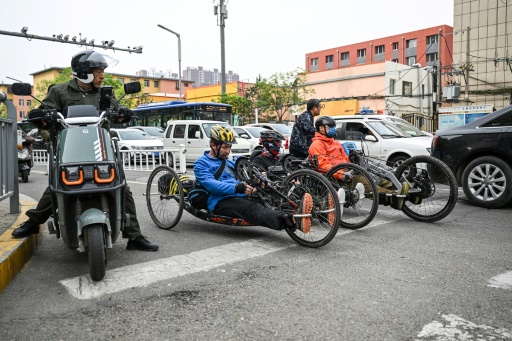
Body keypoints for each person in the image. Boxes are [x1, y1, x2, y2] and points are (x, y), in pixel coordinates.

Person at [11, 50, 158, 251]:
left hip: (100, 148)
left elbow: (116, 113)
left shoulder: (104, 94)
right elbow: (43, 116)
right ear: (84, 72)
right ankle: (34, 223)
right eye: (98, 71)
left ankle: (134, 236)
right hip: (70, 149)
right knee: (58, 185)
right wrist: (43, 122)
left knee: (121, 186)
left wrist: (123, 114)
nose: (102, 76)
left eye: (102, 71)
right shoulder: (60, 91)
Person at [194, 125, 314, 233]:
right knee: (253, 209)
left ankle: (305, 213)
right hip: (219, 200)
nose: (227, 151)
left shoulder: (229, 162)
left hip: (239, 194)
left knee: (268, 200)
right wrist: (236, 188)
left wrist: (252, 185)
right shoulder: (201, 164)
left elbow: (243, 176)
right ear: (213, 145)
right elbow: (211, 185)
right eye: (224, 147)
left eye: (229, 147)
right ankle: (290, 221)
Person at [308, 116, 411, 210]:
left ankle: (406, 192)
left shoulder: (335, 142)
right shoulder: (317, 145)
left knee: (375, 176)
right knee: (365, 182)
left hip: (347, 169)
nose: (333, 129)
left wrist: (354, 166)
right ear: (321, 128)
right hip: (336, 176)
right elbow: (323, 166)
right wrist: (342, 174)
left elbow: (345, 159)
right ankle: (394, 196)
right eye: (330, 126)